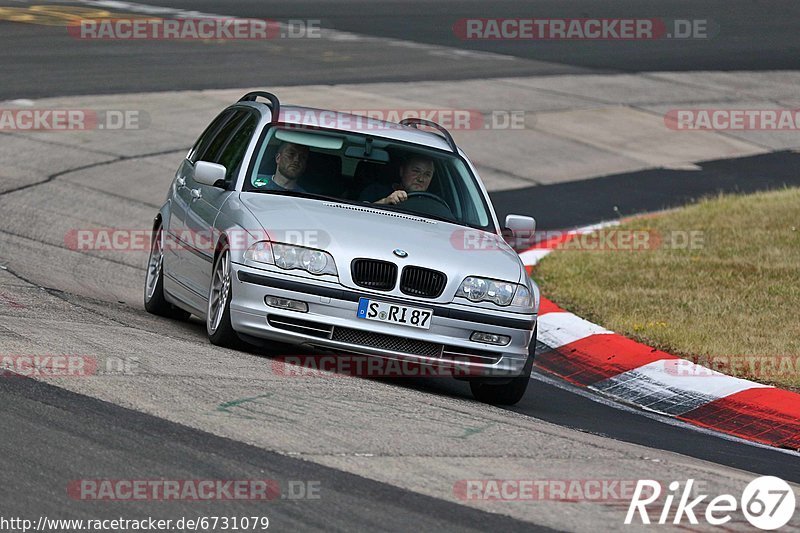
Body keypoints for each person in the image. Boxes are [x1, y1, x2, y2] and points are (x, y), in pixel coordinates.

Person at [359, 155, 435, 205]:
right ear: (402, 171)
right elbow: (359, 215)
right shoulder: (375, 190)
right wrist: (385, 202)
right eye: (416, 171)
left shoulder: (433, 204)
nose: (421, 179)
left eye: (427, 174)